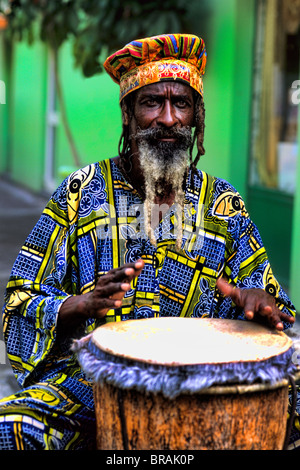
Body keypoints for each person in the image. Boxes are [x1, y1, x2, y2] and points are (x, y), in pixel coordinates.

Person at [0, 33, 298, 450]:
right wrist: (78, 305)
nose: (168, 118)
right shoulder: (82, 192)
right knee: (11, 430)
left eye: (182, 103)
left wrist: (258, 301)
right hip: (93, 383)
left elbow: (275, 311)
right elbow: (18, 304)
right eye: (152, 102)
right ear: (128, 113)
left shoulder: (224, 204)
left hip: (207, 385)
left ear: (196, 116)